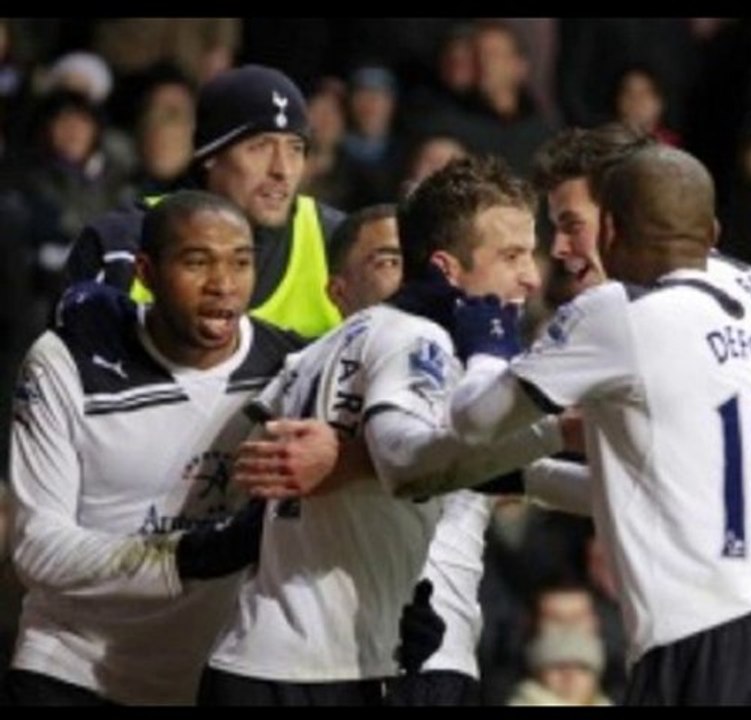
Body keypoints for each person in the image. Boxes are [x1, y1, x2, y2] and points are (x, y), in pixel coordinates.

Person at [447, 143, 751, 704]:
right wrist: (528, 479)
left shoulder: (619, 313)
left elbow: (476, 420)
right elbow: (659, 495)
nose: (558, 248)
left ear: (612, 232)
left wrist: (488, 340)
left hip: (701, 649)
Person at [531, 123, 751, 704]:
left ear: (626, 209)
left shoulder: (661, 311)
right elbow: (681, 492)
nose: (560, 250)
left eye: (573, 224)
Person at [198, 156, 565, 705]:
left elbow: (257, 480)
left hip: (277, 657)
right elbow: (401, 460)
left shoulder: (326, 347)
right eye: (511, 256)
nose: (532, 276)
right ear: (447, 268)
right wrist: (551, 422)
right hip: (321, 670)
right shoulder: (421, 342)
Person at [3, 190, 335, 705]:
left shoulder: (290, 369)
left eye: (241, 262)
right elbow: (37, 549)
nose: (223, 285)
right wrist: (194, 554)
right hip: (70, 670)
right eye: (196, 262)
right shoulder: (69, 361)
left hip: (210, 681)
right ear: (146, 272)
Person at [65, 64, 345, 340]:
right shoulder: (124, 244)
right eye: (260, 146)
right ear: (211, 155)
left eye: (295, 149)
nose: (282, 169)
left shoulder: (341, 244)